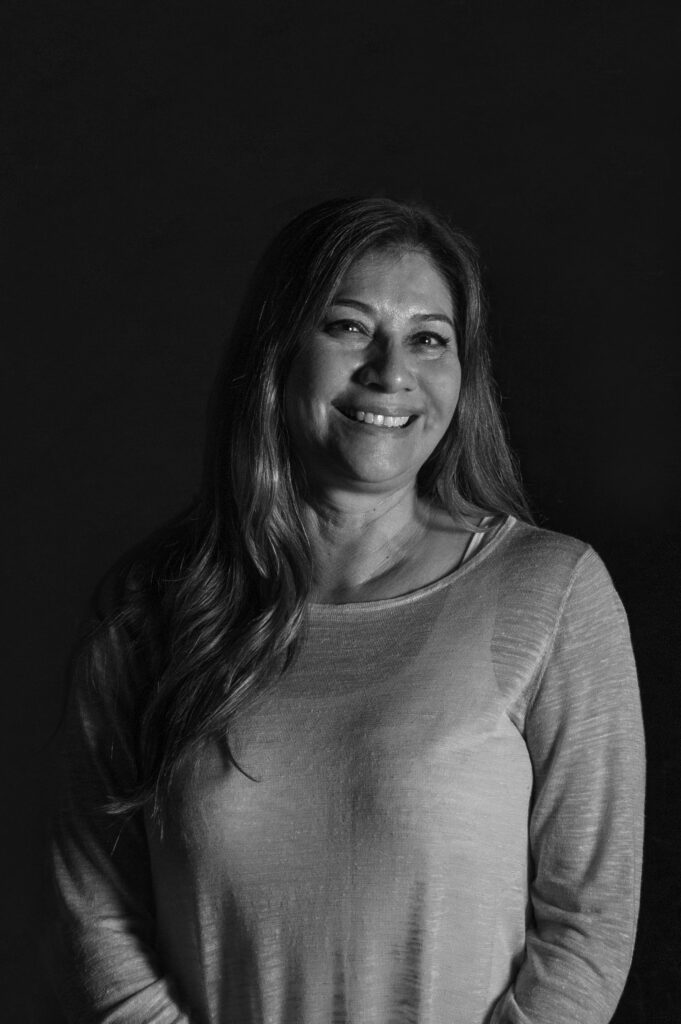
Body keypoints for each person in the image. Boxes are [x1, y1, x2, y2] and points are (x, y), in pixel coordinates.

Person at [46, 197, 645, 1024]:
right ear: (277, 351)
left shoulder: (550, 592)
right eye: (350, 327)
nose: (390, 371)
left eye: (429, 339)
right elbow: (99, 907)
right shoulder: (151, 607)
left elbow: (589, 923)